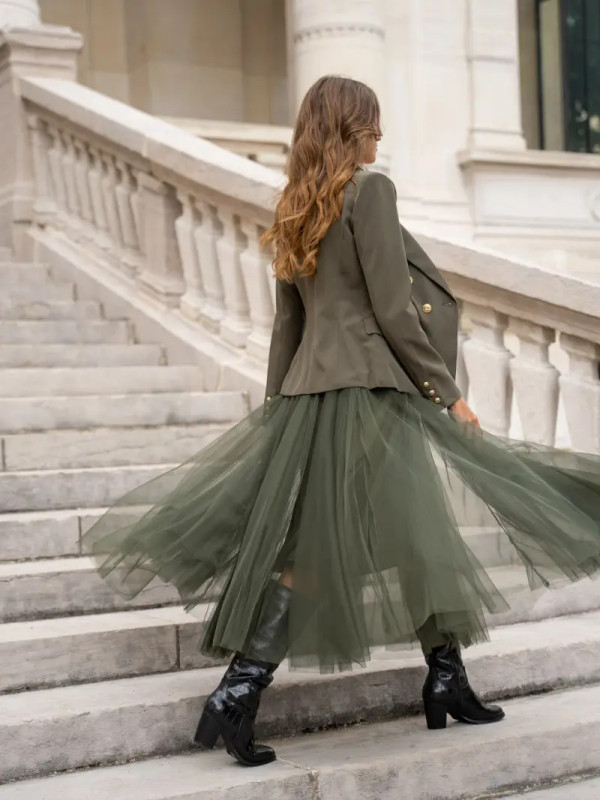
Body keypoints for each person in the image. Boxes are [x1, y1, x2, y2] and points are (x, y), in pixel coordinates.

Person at [83, 75, 600, 769]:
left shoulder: (298, 204)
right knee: (324, 553)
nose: (381, 138)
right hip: (372, 393)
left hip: (312, 399)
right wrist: (446, 392)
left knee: (409, 534)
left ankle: (445, 677)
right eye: (373, 124)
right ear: (349, 127)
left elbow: (285, 328)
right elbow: (392, 307)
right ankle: (240, 690)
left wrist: (278, 412)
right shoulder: (369, 191)